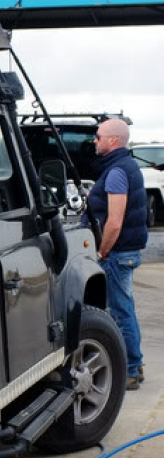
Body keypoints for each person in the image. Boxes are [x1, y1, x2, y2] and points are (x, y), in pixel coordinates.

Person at [87, 118, 148, 390]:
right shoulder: (127, 166)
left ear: (113, 141)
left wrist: (102, 251)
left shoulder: (116, 172)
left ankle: (132, 370)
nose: (94, 141)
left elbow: (114, 222)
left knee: (121, 312)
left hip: (118, 254)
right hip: (126, 251)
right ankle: (136, 364)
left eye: (98, 137)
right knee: (125, 309)